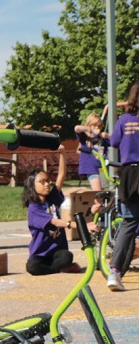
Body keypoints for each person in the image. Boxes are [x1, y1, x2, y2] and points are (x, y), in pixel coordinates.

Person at [107, 80, 139, 291]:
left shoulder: (124, 120)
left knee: (128, 222)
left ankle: (114, 272)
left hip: (128, 173)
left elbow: (113, 142)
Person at [23, 149, 76, 276]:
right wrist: (72, 225)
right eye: (42, 182)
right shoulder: (34, 207)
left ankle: (56, 267)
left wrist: (62, 154)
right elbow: (54, 221)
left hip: (57, 252)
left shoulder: (52, 198)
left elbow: (61, 176)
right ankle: (56, 269)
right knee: (32, 267)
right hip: (41, 254)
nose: (47, 184)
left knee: (67, 256)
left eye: (47, 181)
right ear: (32, 185)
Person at [74, 113, 109, 195]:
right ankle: (95, 207)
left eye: (99, 126)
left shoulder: (102, 139)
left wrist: (107, 135)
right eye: (94, 125)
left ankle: (100, 207)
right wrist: (89, 129)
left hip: (102, 169)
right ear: (89, 124)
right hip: (92, 169)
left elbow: (115, 140)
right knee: (98, 194)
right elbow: (77, 128)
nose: (97, 128)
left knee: (103, 195)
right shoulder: (84, 137)